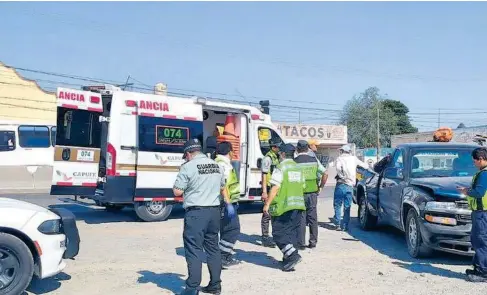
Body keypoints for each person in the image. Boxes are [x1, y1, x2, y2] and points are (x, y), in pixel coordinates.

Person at [173, 138, 236, 295]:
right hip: (214, 213)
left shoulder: (187, 167)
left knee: (194, 249)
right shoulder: (216, 165)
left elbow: (177, 192)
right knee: (213, 248)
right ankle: (215, 285)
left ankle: (192, 288)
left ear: (188, 153)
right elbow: (222, 187)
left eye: (185, 156)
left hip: (196, 213)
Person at [263, 143, 306, 271]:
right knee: (291, 234)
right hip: (298, 205)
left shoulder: (281, 167)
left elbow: (275, 187)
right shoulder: (298, 168)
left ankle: (293, 255)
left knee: (278, 234)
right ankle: (288, 260)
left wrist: (267, 204)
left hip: (284, 206)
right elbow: (302, 186)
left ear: (282, 154)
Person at [458, 147, 487, 282]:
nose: (474, 163)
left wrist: (466, 191)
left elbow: (479, 192)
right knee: (477, 240)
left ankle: (483, 272)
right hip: (481, 213)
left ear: (481, 159)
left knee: (481, 241)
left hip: (482, 213)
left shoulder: (484, 174)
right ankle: (478, 267)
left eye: (474, 161)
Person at [294, 140, 328, 249]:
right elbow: (325, 173)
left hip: (299, 193)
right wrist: (321, 187)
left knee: (301, 218)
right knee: (313, 218)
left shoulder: (294, 161)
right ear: (307, 148)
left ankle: (301, 243)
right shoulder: (314, 160)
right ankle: (313, 242)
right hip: (312, 193)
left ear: (298, 149)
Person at [214, 141, 242, 268]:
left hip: (225, 202)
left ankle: (224, 256)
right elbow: (222, 184)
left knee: (226, 229)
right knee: (233, 229)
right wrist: (227, 202)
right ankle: (222, 257)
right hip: (226, 202)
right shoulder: (223, 165)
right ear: (229, 151)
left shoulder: (218, 163)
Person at [332, 144, 369, 231]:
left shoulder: (339, 158)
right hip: (350, 186)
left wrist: (342, 176)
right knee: (347, 206)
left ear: (342, 151)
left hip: (340, 184)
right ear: (349, 151)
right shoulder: (354, 159)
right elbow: (365, 166)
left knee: (337, 205)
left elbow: (337, 168)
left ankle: (337, 224)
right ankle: (345, 226)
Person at [260, 138, 281, 248]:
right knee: (266, 213)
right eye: (278, 146)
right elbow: (264, 175)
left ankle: (273, 236)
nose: (279, 148)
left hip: (274, 187)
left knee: (274, 211)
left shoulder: (276, 157)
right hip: (268, 188)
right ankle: (265, 237)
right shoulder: (267, 158)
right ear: (273, 147)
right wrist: (264, 192)